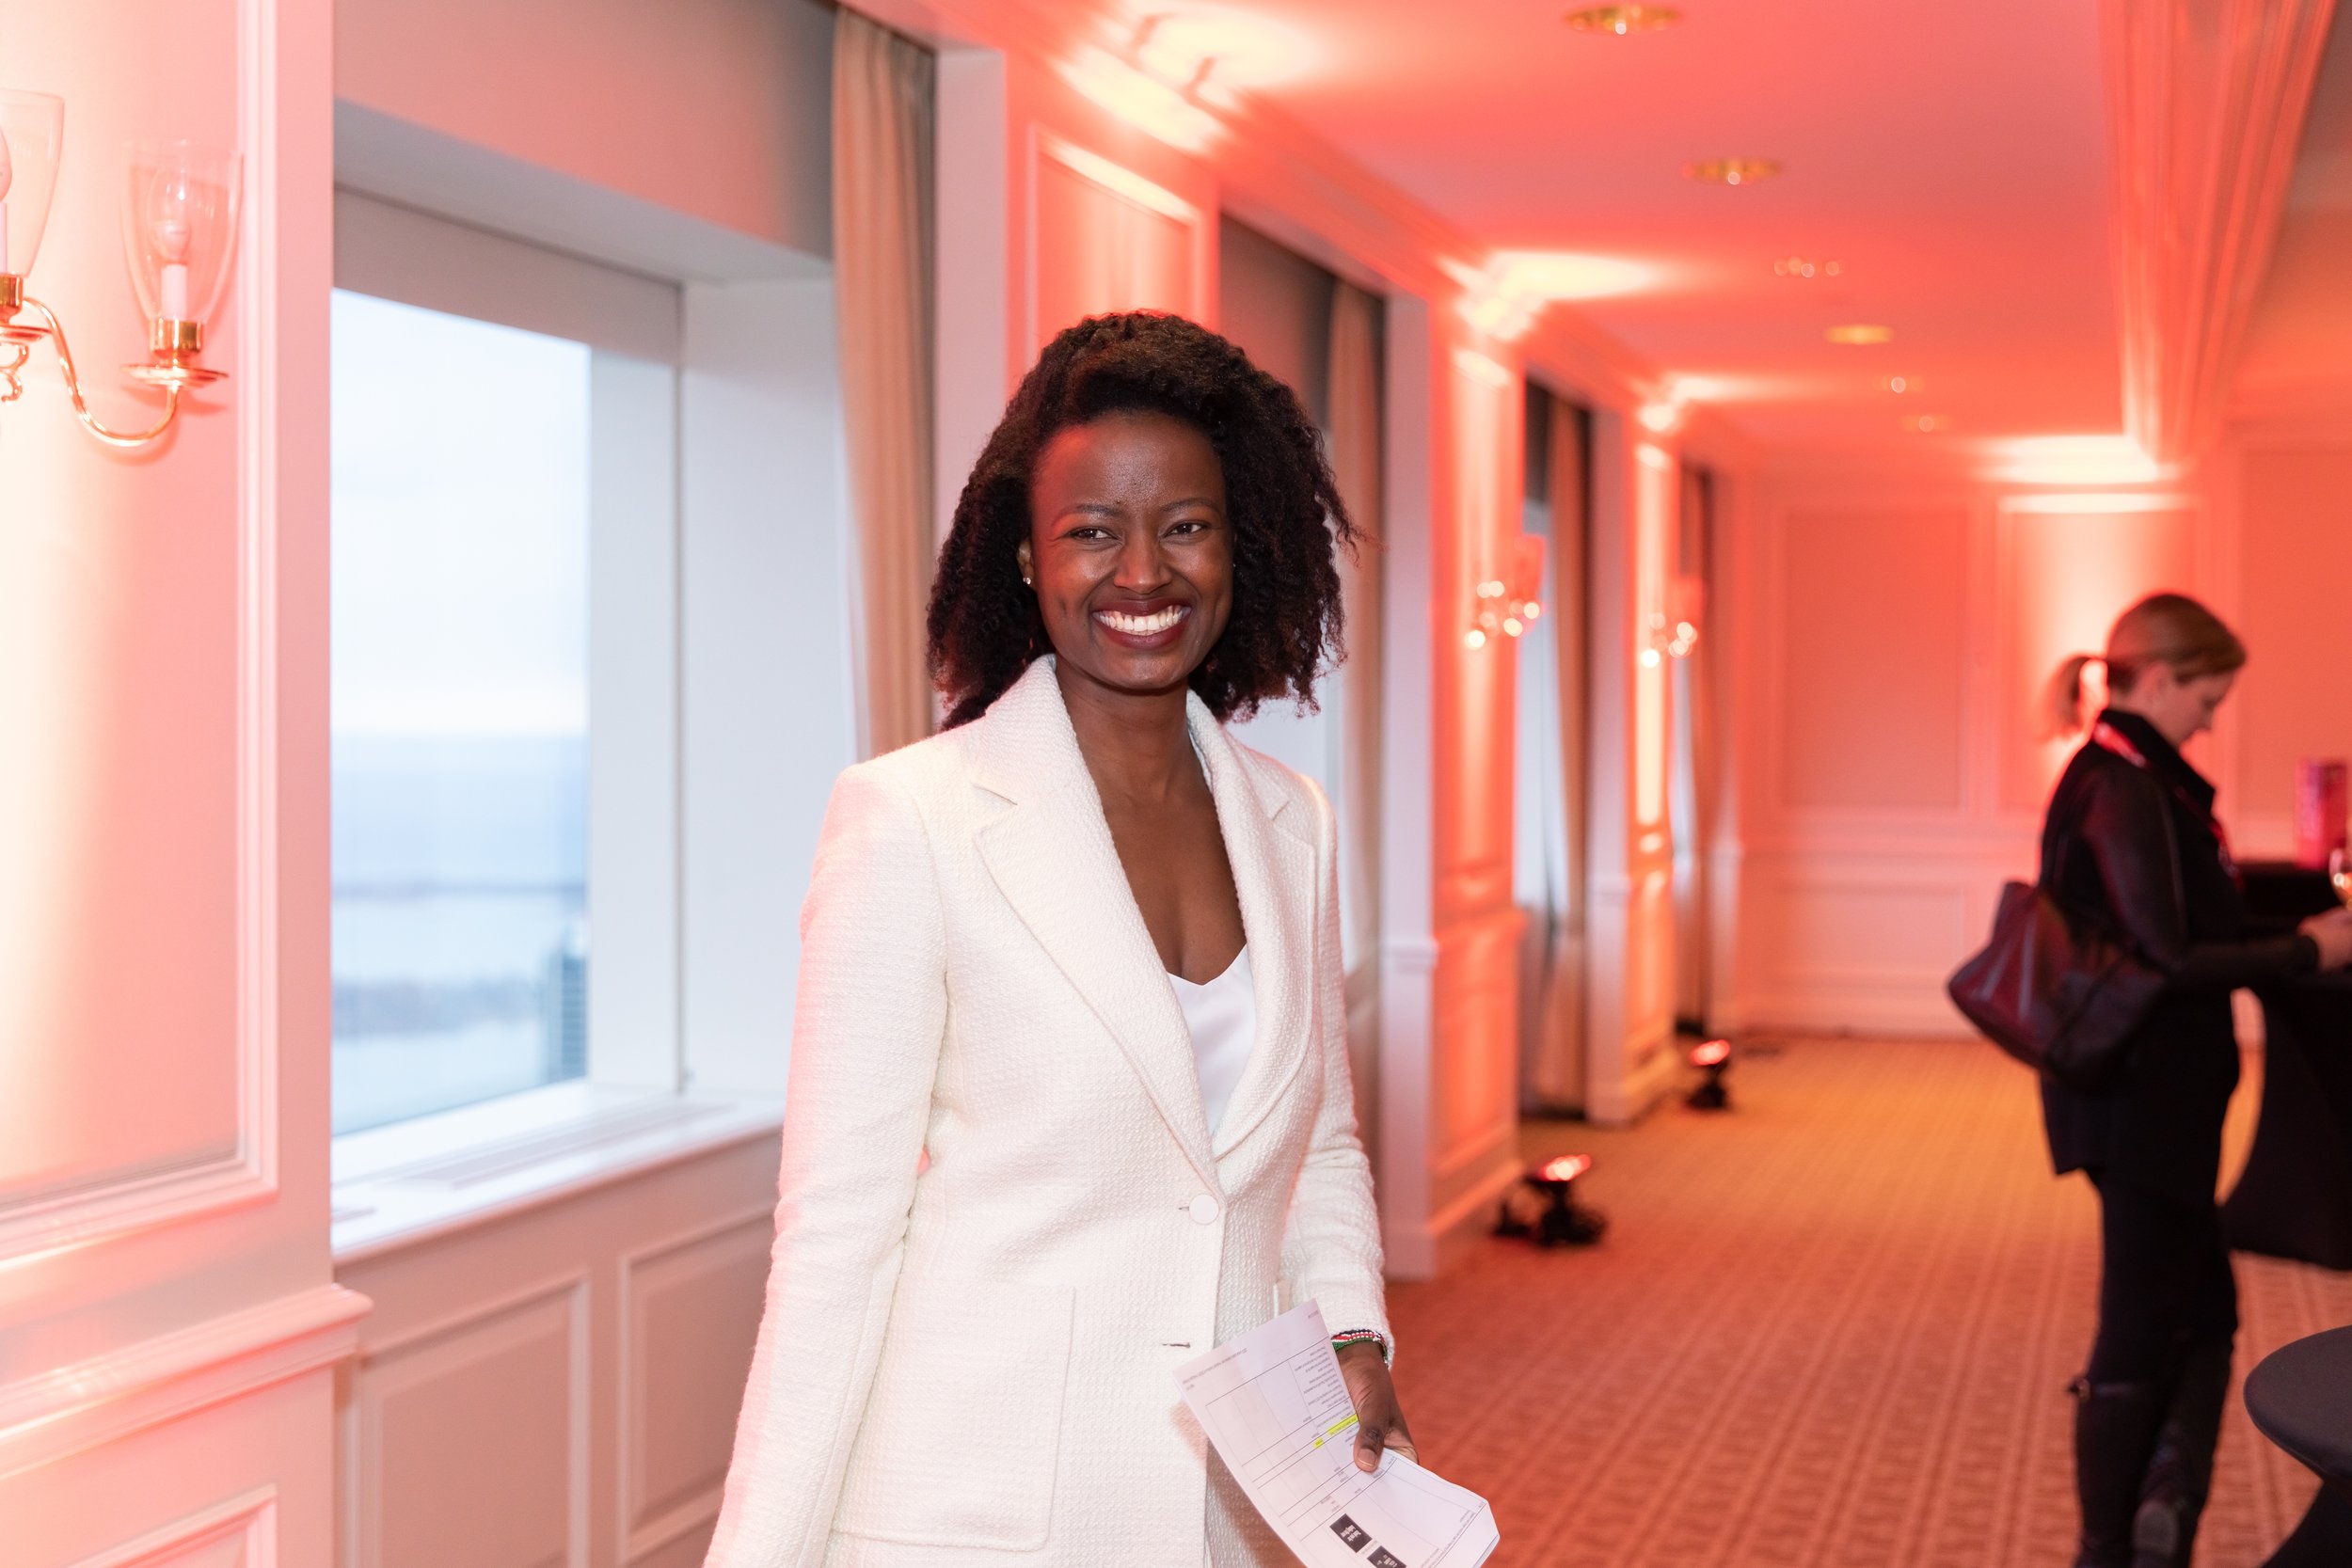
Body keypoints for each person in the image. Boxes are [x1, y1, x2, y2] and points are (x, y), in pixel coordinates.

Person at [706, 311, 1405, 1568]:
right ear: (1027, 558)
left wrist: (1353, 1330)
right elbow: (836, 1237)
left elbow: (1321, 1142)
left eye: (1184, 526)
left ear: (1238, 545)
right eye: (1092, 531)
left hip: (1223, 1506)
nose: (1142, 573)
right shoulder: (912, 818)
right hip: (969, 1510)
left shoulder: (1291, 821)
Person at [2041, 594, 2352, 1568]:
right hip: (2138, 1100)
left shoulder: (2140, 779)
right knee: (2143, 1321)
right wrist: (2304, 949)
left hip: (2154, 1095)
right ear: (2164, 678)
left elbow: (2190, 926)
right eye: (2207, 697)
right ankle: (2115, 1542)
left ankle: (2161, 1512)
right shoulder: (2121, 786)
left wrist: (2294, 939)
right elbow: (2170, 956)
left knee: (2201, 1310)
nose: (2212, 718)